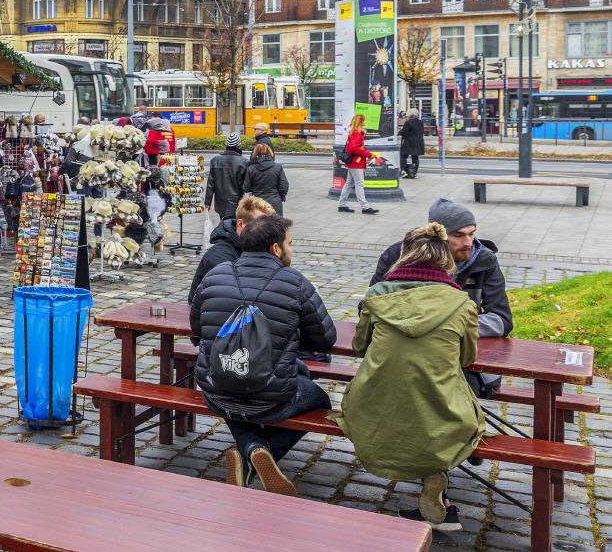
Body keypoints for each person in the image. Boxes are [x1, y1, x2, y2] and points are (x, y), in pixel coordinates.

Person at [340, 223, 484, 532]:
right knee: (447, 403)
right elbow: (468, 359)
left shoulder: (377, 297)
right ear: (445, 259)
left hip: (374, 407)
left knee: (396, 398)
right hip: (441, 414)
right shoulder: (461, 304)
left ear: (404, 256)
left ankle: (423, 471)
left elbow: (359, 347)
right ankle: (434, 474)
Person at [191, 214, 336, 495]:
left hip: (216, 390)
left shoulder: (215, 275)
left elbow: (196, 327)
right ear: (275, 248)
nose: (291, 250)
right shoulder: (294, 282)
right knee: (319, 399)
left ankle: (250, 448)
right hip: (272, 398)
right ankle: (258, 453)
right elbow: (325, 340)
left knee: (232, 384)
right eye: (290, 243)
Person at [370, 198, 511, 396]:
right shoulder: (397, 256)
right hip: (404, 358)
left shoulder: (484, 260)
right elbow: (367, 308)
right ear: (437, 237)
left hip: (461, 359)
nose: (468, 242)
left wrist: (443, 325)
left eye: (472, 234)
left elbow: (502, 321)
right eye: (458, 235)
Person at [186, 194, 275, 306]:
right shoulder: (220, 256)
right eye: (260, 227)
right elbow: (228, 302)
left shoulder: (254, 249)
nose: (266, 234)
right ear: (241, 224)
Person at [336, 113, 380, 214]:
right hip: (356, 163)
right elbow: (353, 148)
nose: (365, 123)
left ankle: (342, 205)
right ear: (361, 122)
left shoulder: (354, 132)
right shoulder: (357, 133)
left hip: (353, 162)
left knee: (349, 183)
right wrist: (369, 154)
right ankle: (365, 207)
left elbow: (353, 147)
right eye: (364, 121)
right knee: (359, 184)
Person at [204, 132, 247, 222]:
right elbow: (246, 186)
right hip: (237, 202)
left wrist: (207, 202)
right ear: (238, 145)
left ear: (226, 144)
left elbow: (210, 184)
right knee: (235, 226)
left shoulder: (215, 160)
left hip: (220, 202)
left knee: (223, 224)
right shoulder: (244, 162)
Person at [242, 143, 289, 215]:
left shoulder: (251, 169)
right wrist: (281, 197)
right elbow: (284, 185)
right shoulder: (277, 167)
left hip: (257, 203)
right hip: (275, 202)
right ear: (269, 152)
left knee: (259, 225)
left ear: (255, 153)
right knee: (276, 224)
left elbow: (246, 188)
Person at [399, 110, 425, 179]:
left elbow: (404, 132)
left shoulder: (408, 122)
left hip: (409, 142)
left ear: (409, 115)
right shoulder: (421, 122)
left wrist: (400, 131)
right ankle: (414, 173)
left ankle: (403, 171)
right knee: (415, 157)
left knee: (403, 156)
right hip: (418, 142)